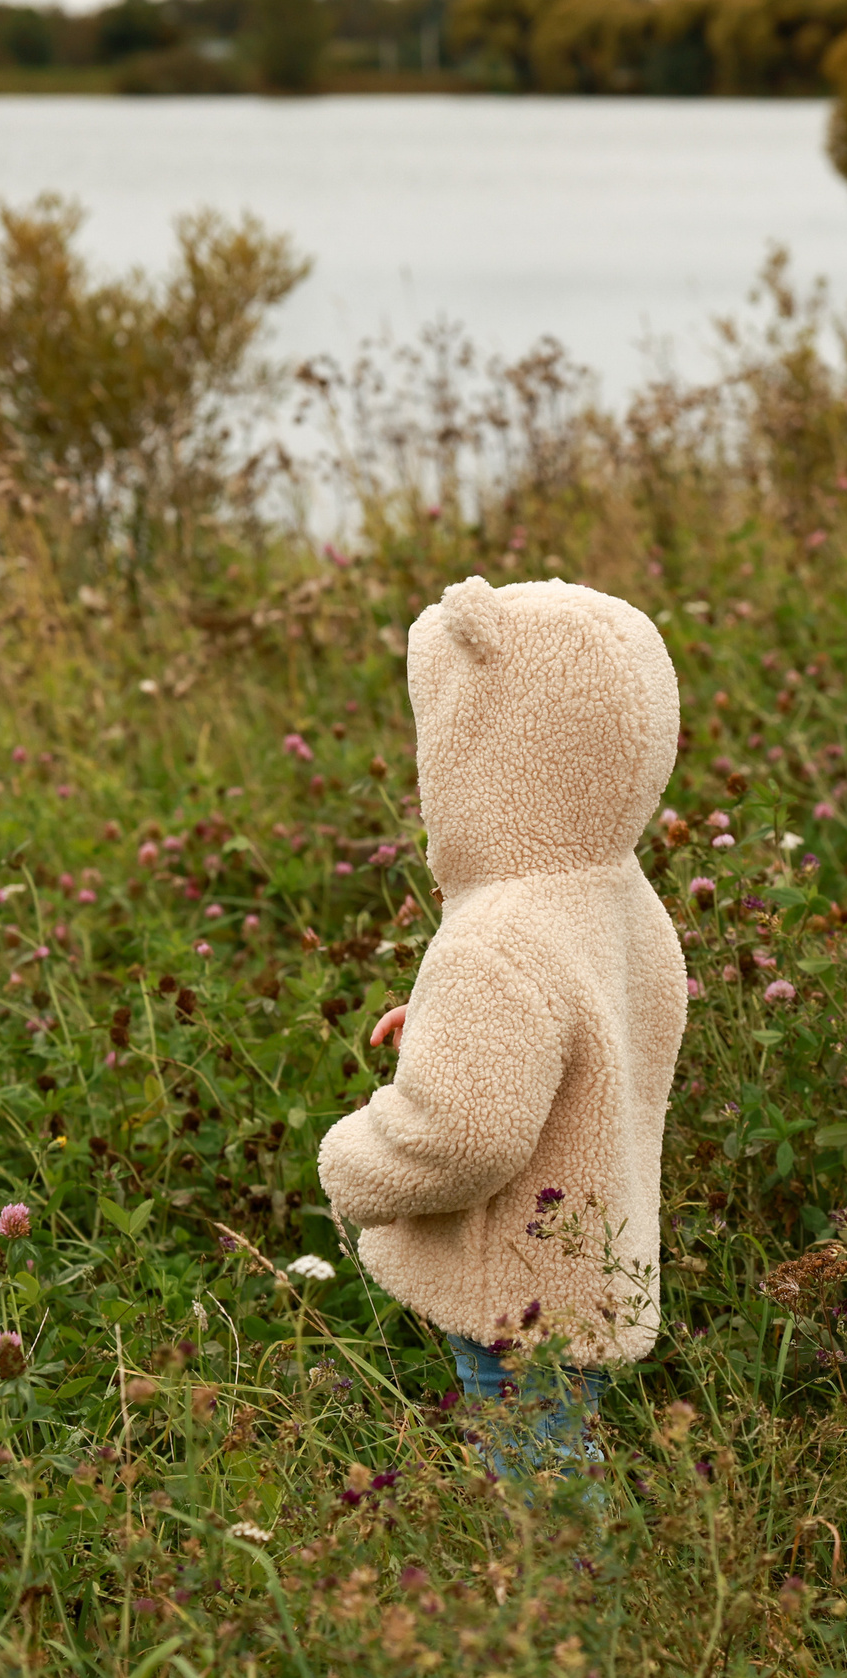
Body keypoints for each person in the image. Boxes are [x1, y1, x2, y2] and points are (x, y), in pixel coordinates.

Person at [318, 575, 687, 1483]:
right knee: (561, 1445)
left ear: (478, 743)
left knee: (536, 1474)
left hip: (514, 1288)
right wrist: (453, 1026)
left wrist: (350, 1163)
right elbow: (589, 1028)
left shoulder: (499, 937)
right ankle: (589, 1600)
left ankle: (565, 1616)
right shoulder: (619, 893)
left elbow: (464, 1136)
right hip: (591, 1262)